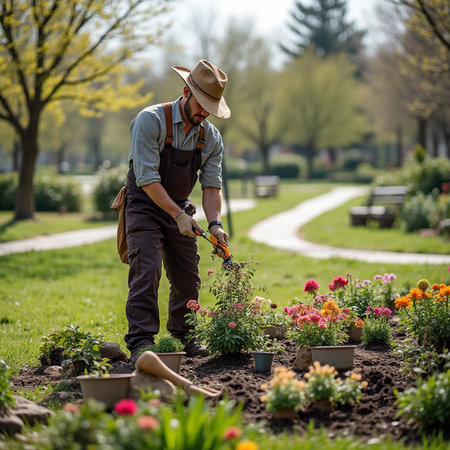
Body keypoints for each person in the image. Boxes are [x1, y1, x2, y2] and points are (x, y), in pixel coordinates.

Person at [124, 59, 231, 363]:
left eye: (211, 108)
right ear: (186, 91)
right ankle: (141, 341)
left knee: (188, 277)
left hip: (180, 208)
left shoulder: (210, 137)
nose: (205, 113)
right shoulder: (150, 121)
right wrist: (178, 215)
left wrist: (214, 224)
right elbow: (147, 179)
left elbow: (211, 186)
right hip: (144, 206)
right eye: (202, 104)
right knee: (147, 270)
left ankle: (185, 336)